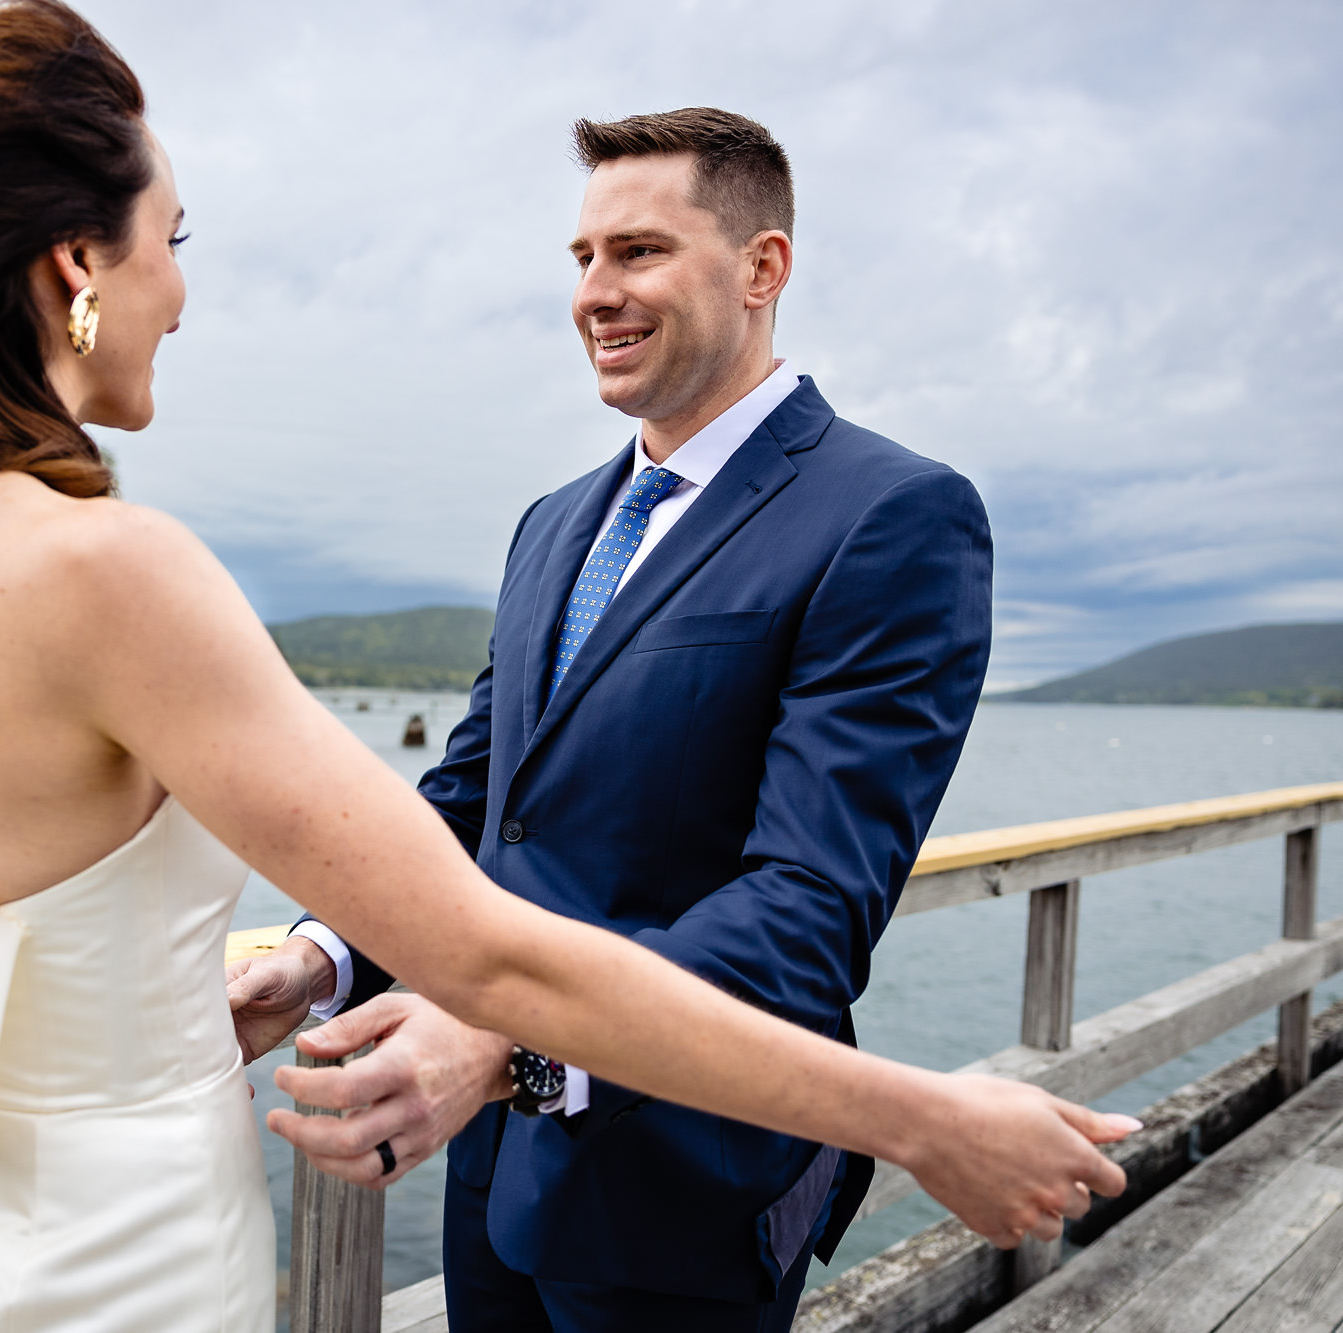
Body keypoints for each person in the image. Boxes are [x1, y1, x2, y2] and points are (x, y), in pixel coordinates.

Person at [0, 10, 1133, 1332]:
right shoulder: (105, 565)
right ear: (76, 265)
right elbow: (491, 920)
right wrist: (923, 1114)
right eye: (171, 239)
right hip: (115, 1248)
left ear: (764, 266)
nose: (183, 292)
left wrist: (321, 961)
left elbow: (785, 885)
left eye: (635, 251)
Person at [237, 109, 1008, 1331]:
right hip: (492, 1179)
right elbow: (476, 804)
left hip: (686, 1191)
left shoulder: (892, 515)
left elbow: (806, 907)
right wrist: (322, 955)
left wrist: (504, 1036)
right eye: (582, 258)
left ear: (762, 269)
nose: (596, 292)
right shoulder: (552, 522)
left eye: (638, 252)